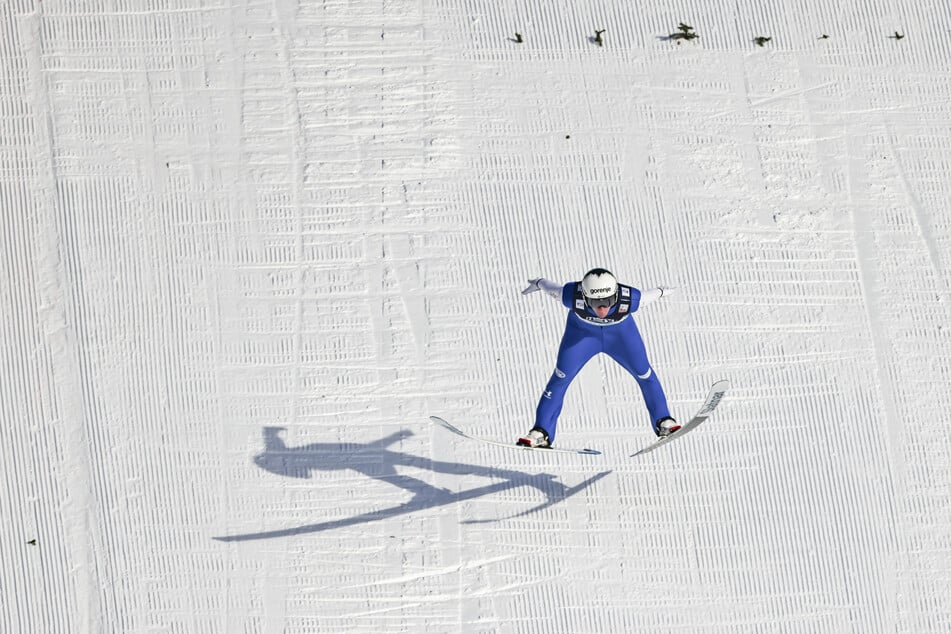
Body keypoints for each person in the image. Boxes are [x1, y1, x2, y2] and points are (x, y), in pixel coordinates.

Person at [519, 268, 678, 448]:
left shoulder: (631, 298)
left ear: (616, 295)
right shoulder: (571, 295)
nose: (602, 309)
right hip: (582, 337)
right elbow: (551, 288)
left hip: (621, 337)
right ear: (585, 297)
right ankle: (541, 432)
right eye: (595, 303)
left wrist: (663, 291)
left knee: (644, 374)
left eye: (608, 301)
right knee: (560, 378)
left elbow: (652, 295)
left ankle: (664, 421)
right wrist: (539, 282)